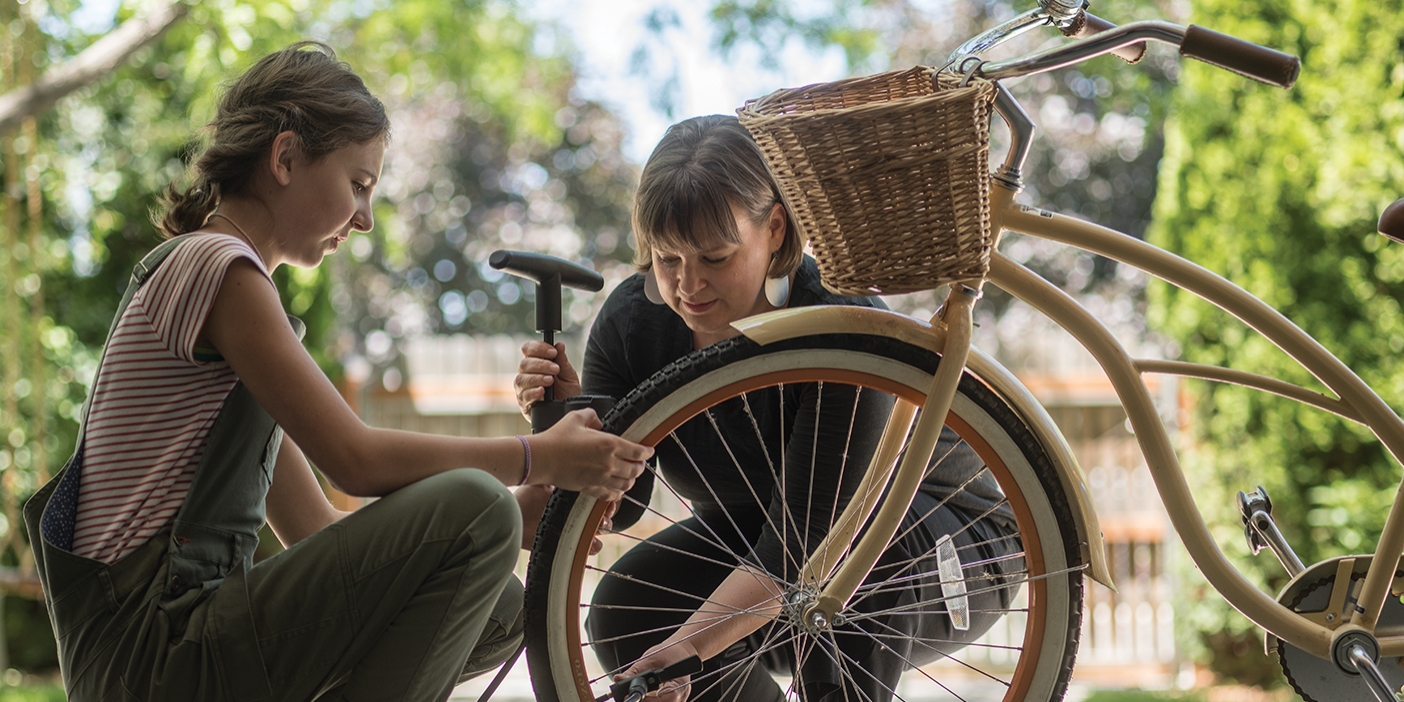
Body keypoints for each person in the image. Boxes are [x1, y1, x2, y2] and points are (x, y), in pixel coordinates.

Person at [23, 42, 652, 702]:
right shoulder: (216, 268)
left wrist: (523, 512)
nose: (365, 218)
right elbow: (355, 458)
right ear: (285, 157)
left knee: (500, 607)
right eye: (358, 184)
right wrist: (538, 457)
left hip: (179, 646)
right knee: (475, 508)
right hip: (151, 652)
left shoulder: (231, 300)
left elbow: (320, 533)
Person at [515, 115, 1021, 702]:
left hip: (944, 543)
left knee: (845, 566)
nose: (688, 286)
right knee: (625, 607)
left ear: (774, 228)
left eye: (715, 257)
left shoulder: (841, 323)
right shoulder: (634, 324)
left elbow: (811, 537)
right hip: (771, 544)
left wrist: (689, 645)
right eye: (667, 259)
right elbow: (621, 509)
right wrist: (576, 419)